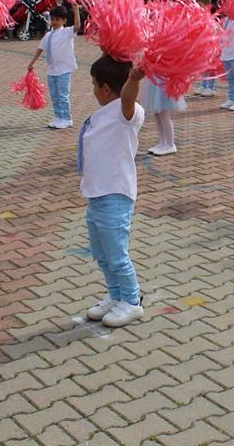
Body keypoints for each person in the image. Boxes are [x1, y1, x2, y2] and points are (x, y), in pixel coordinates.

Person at [78, 57, 146, 327]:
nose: (93, 90)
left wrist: (133, 79)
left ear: (106, 89)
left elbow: (128, 97)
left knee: (117, 254)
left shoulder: (125, 112)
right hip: (96, 195)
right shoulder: (103, 112)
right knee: (102, 253)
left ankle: (131, 301)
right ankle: (115, 295)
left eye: (95, 85)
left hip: (115, 196)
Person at [27, 3, 80, 129]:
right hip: (51, 70)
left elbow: (77, 26)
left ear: (64, 21)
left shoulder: (67, 32)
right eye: (53, 19)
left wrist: (76, 9)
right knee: (54, 95)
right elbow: (40, 49)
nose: (54, 22)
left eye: (58, 19)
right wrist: (31, 63)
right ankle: (58, 116)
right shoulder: (48, 35)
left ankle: (67, 118)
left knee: (63, 95)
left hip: (64, 70)